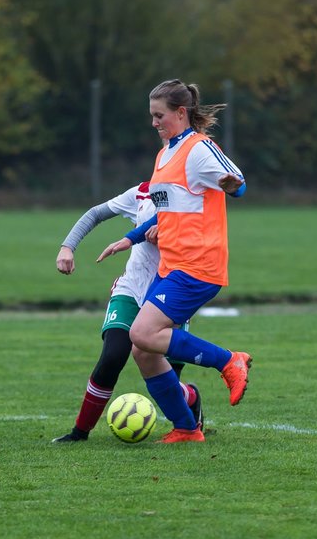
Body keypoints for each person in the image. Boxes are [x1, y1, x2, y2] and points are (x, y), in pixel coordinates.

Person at [96, 79, 250, 444]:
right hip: (172, 266)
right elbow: (165, 212)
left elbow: (239, 183)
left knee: (142, 333)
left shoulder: (199, 148)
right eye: (151, 115)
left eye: (159, 115)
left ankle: (229, 361)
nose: (154, 122)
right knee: (143, 350)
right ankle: (186, 428)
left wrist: (230, 184)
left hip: (198, 264)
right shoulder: (165, 154)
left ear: (181, 113)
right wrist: (130, 238)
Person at [50, 181, 203, 443]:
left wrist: (168, 235)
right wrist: (67, 247)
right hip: (131, 288)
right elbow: (95, 213)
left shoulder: (195, 197)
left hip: (172, 293)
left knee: (165, 379)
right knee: (113, 356)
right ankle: (79, 433)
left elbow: (201, 241)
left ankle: (190, 397)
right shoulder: (143, 191)